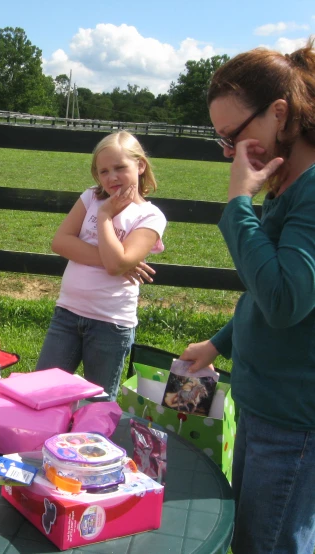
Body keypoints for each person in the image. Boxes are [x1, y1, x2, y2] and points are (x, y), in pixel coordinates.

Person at [180, 40, 315, 554]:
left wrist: (239, 204)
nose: (229, 153)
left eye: (232, 136)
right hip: (264, 405)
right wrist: (219, 343)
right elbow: (265, 293)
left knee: (269, 544)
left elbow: (284, 301)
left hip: (292, 422)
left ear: (279, 113)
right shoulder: (288, 185)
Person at [35, 131, 166, 400]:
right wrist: (113, 262)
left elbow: (117, 263)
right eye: (103, 171)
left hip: (110, 323)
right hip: (68, 314)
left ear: (140, 166)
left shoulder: (150, 216)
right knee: (42, 392)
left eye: (120, 168)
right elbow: (60, 242)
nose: (112, 177)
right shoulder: (91, 198)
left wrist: (105, 216)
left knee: (98, 404)